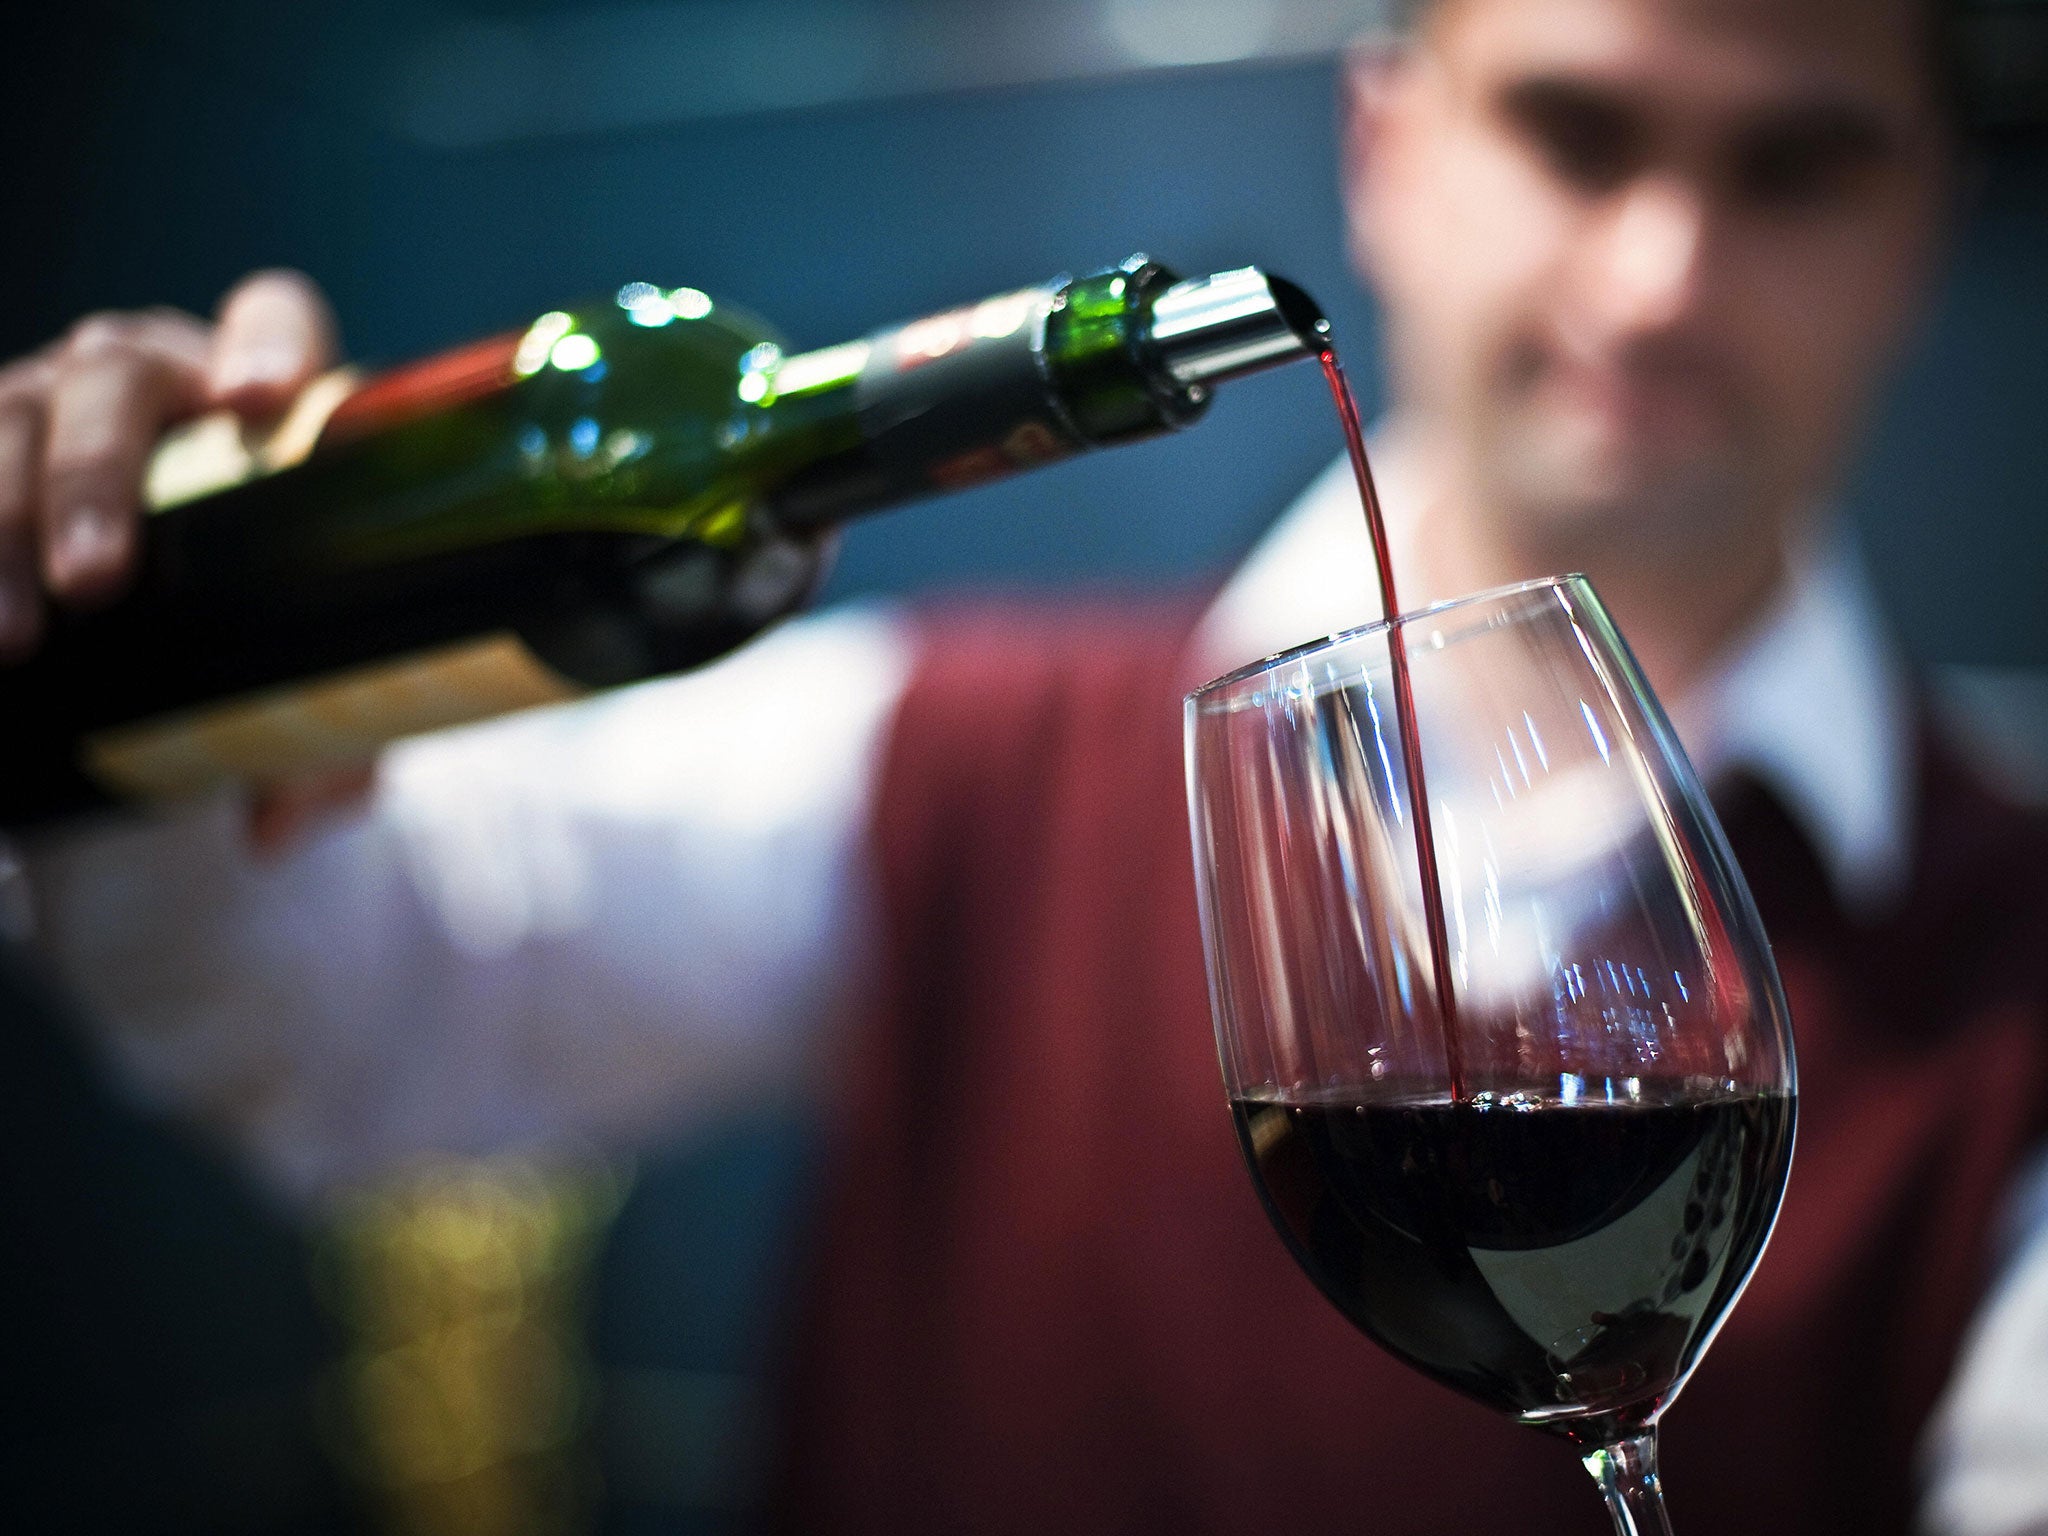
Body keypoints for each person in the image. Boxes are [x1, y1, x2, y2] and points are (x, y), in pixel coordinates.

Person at [4, 0, 2045, 1530]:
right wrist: (141, 625)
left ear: (1920, 220)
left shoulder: (2015, 954)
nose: (1658, 270)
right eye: (1573, 130)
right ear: (1386, 145)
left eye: (1791, 166)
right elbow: (352, 1015)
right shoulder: (945, 757)